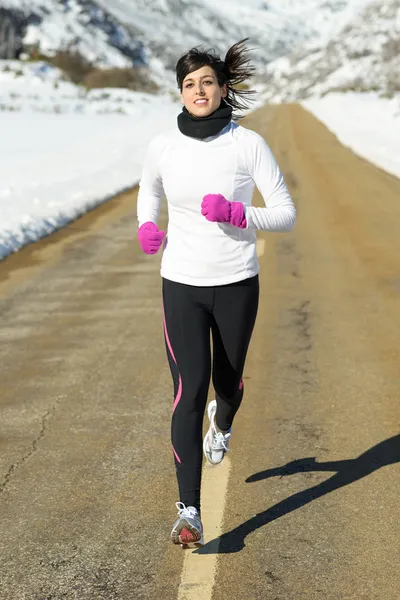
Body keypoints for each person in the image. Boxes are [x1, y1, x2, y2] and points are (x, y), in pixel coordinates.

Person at [136, 38, 296, 549]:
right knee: (188, 391)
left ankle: (222, 419)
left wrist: (238, 213)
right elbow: (150, 191)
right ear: (180, 92)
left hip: (235, 282)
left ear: (224, 88)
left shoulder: (246, 144)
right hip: (181, 281)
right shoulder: (163, 145)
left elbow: (286, 212)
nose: (198, 90)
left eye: (207, 81)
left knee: (227, 384)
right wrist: (146, 224)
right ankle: (189, 512)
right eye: (189, 84)